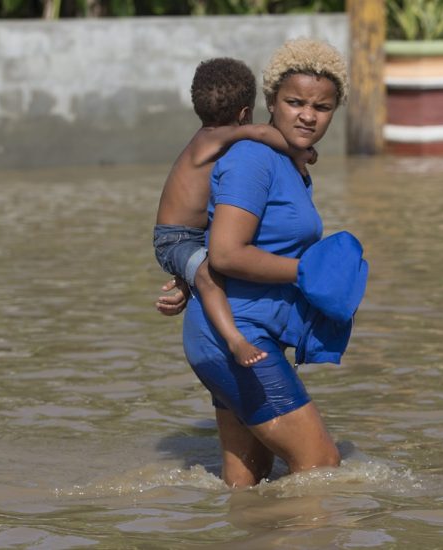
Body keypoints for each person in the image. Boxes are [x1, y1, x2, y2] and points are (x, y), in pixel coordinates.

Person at [172, 38, 354, 488]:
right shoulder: (254, 158)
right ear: (270, 102)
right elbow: (227, 253)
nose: (308, 116)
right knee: (321, 466)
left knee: (247, 488)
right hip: (236, 338)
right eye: (295, 102)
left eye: (322, 107)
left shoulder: (290, 163)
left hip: (243, 336)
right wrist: (307, 274)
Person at [153, 57, 315, 367]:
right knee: (208, 275)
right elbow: (263, 134)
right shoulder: (215, 138)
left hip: (192, 235)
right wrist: (301, 150)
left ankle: (187, 289)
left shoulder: (207, 140)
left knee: (204, 269)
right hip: (173, 239)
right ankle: (235, 340)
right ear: (244, 114)